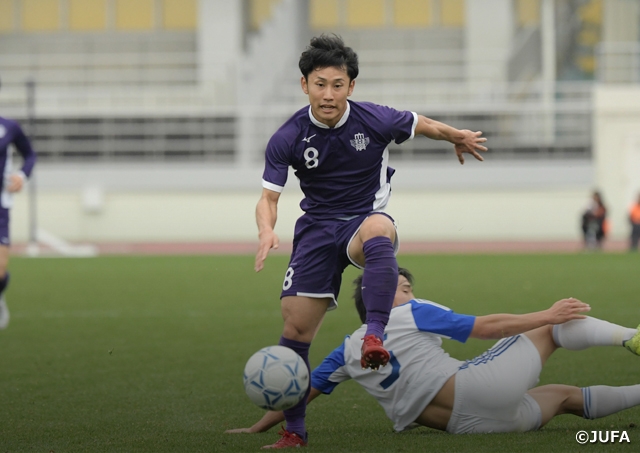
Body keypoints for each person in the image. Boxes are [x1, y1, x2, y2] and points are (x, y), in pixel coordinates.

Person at [254, 34, 488, 448]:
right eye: (320, 84)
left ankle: (374, 336)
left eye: (337, 85)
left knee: (380, 229)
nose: (328, 94)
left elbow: (423, 124)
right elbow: (268, 198)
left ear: (351, 87)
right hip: (316, 231)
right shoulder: (287, 136)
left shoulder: (374, 119)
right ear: (304, 84)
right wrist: (267, 230)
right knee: (295, 330)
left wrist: (457, 136)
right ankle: (295, 431)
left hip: (365, 221)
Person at [228, 268, 640, 442]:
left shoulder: (346, 351)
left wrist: (257, 427)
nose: (408, 289)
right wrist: (545, 315)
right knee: (550, 328)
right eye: (400, 284)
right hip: (478, 391)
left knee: (565, 397)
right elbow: (488, 328)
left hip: (467, 426)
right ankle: (632, 337)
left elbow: (301, 393)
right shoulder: (407, 311)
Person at [0, 78, 37, 329]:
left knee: (0, 269)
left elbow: (30, 154)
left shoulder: (8, 127)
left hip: (0, 204)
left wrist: (21, 176)